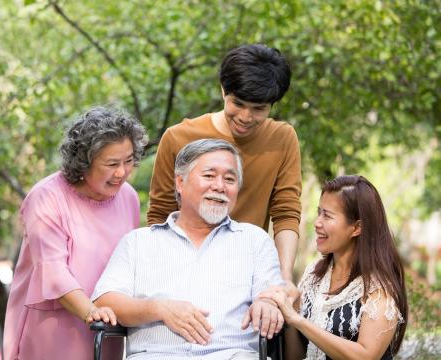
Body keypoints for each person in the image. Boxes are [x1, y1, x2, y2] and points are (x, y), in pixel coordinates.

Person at [92, 139, 284, 359]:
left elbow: (272, 294)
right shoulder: (137, 242)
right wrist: (158, 308)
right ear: (180, 183)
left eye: (229, 179)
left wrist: (268, 303)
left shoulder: (254, 240)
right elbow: (104, 302)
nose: (220, 186)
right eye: (209, 176)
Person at [3, 106, 147, 360]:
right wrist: (90, 311)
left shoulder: (129, 198)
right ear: (84, 161)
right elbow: (52, 270)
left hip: (105, 325)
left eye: (128, 161)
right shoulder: (46, 196)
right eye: (112, 164)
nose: (122, 172)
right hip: (54, 326)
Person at [147, 44, 301, 281]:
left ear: (272, 105)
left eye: (259, 109)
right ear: (223, 91)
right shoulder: (178, 137)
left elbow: (286, 212)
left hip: (246, 270)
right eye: (237, 103)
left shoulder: (282, 138)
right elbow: (160, 214)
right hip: (184, 269)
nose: (245, 117)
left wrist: (284, 276)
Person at [259, 175, 408, 360]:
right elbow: (295, 356)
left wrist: (299, 321)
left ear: (356, 228)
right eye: (318, 212)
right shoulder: (313, 275)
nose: (317, 222)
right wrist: (293, 312)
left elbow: (365, 356)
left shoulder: (379, 290)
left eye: (327, 216)